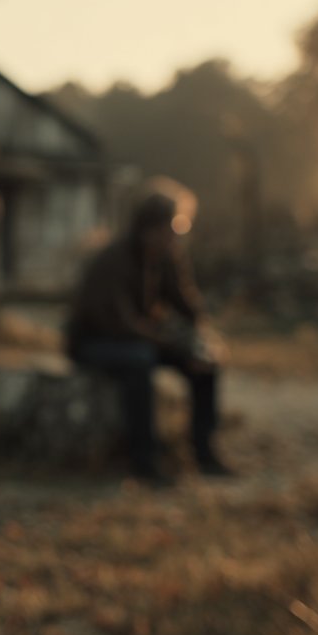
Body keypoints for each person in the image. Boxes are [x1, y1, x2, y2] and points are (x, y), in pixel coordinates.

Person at [65, 178, 231, 483]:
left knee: (204, 364)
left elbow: (187, 305)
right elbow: (119, 324)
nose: (178, 235)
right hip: (94, 342)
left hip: (140, 339)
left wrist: (201, 343)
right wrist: (172, 344)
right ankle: (144, 462)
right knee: (138, 360)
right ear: (151, 227)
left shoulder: (166, 256)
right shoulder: (113, 260)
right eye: (175, 226)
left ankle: (204, 453)